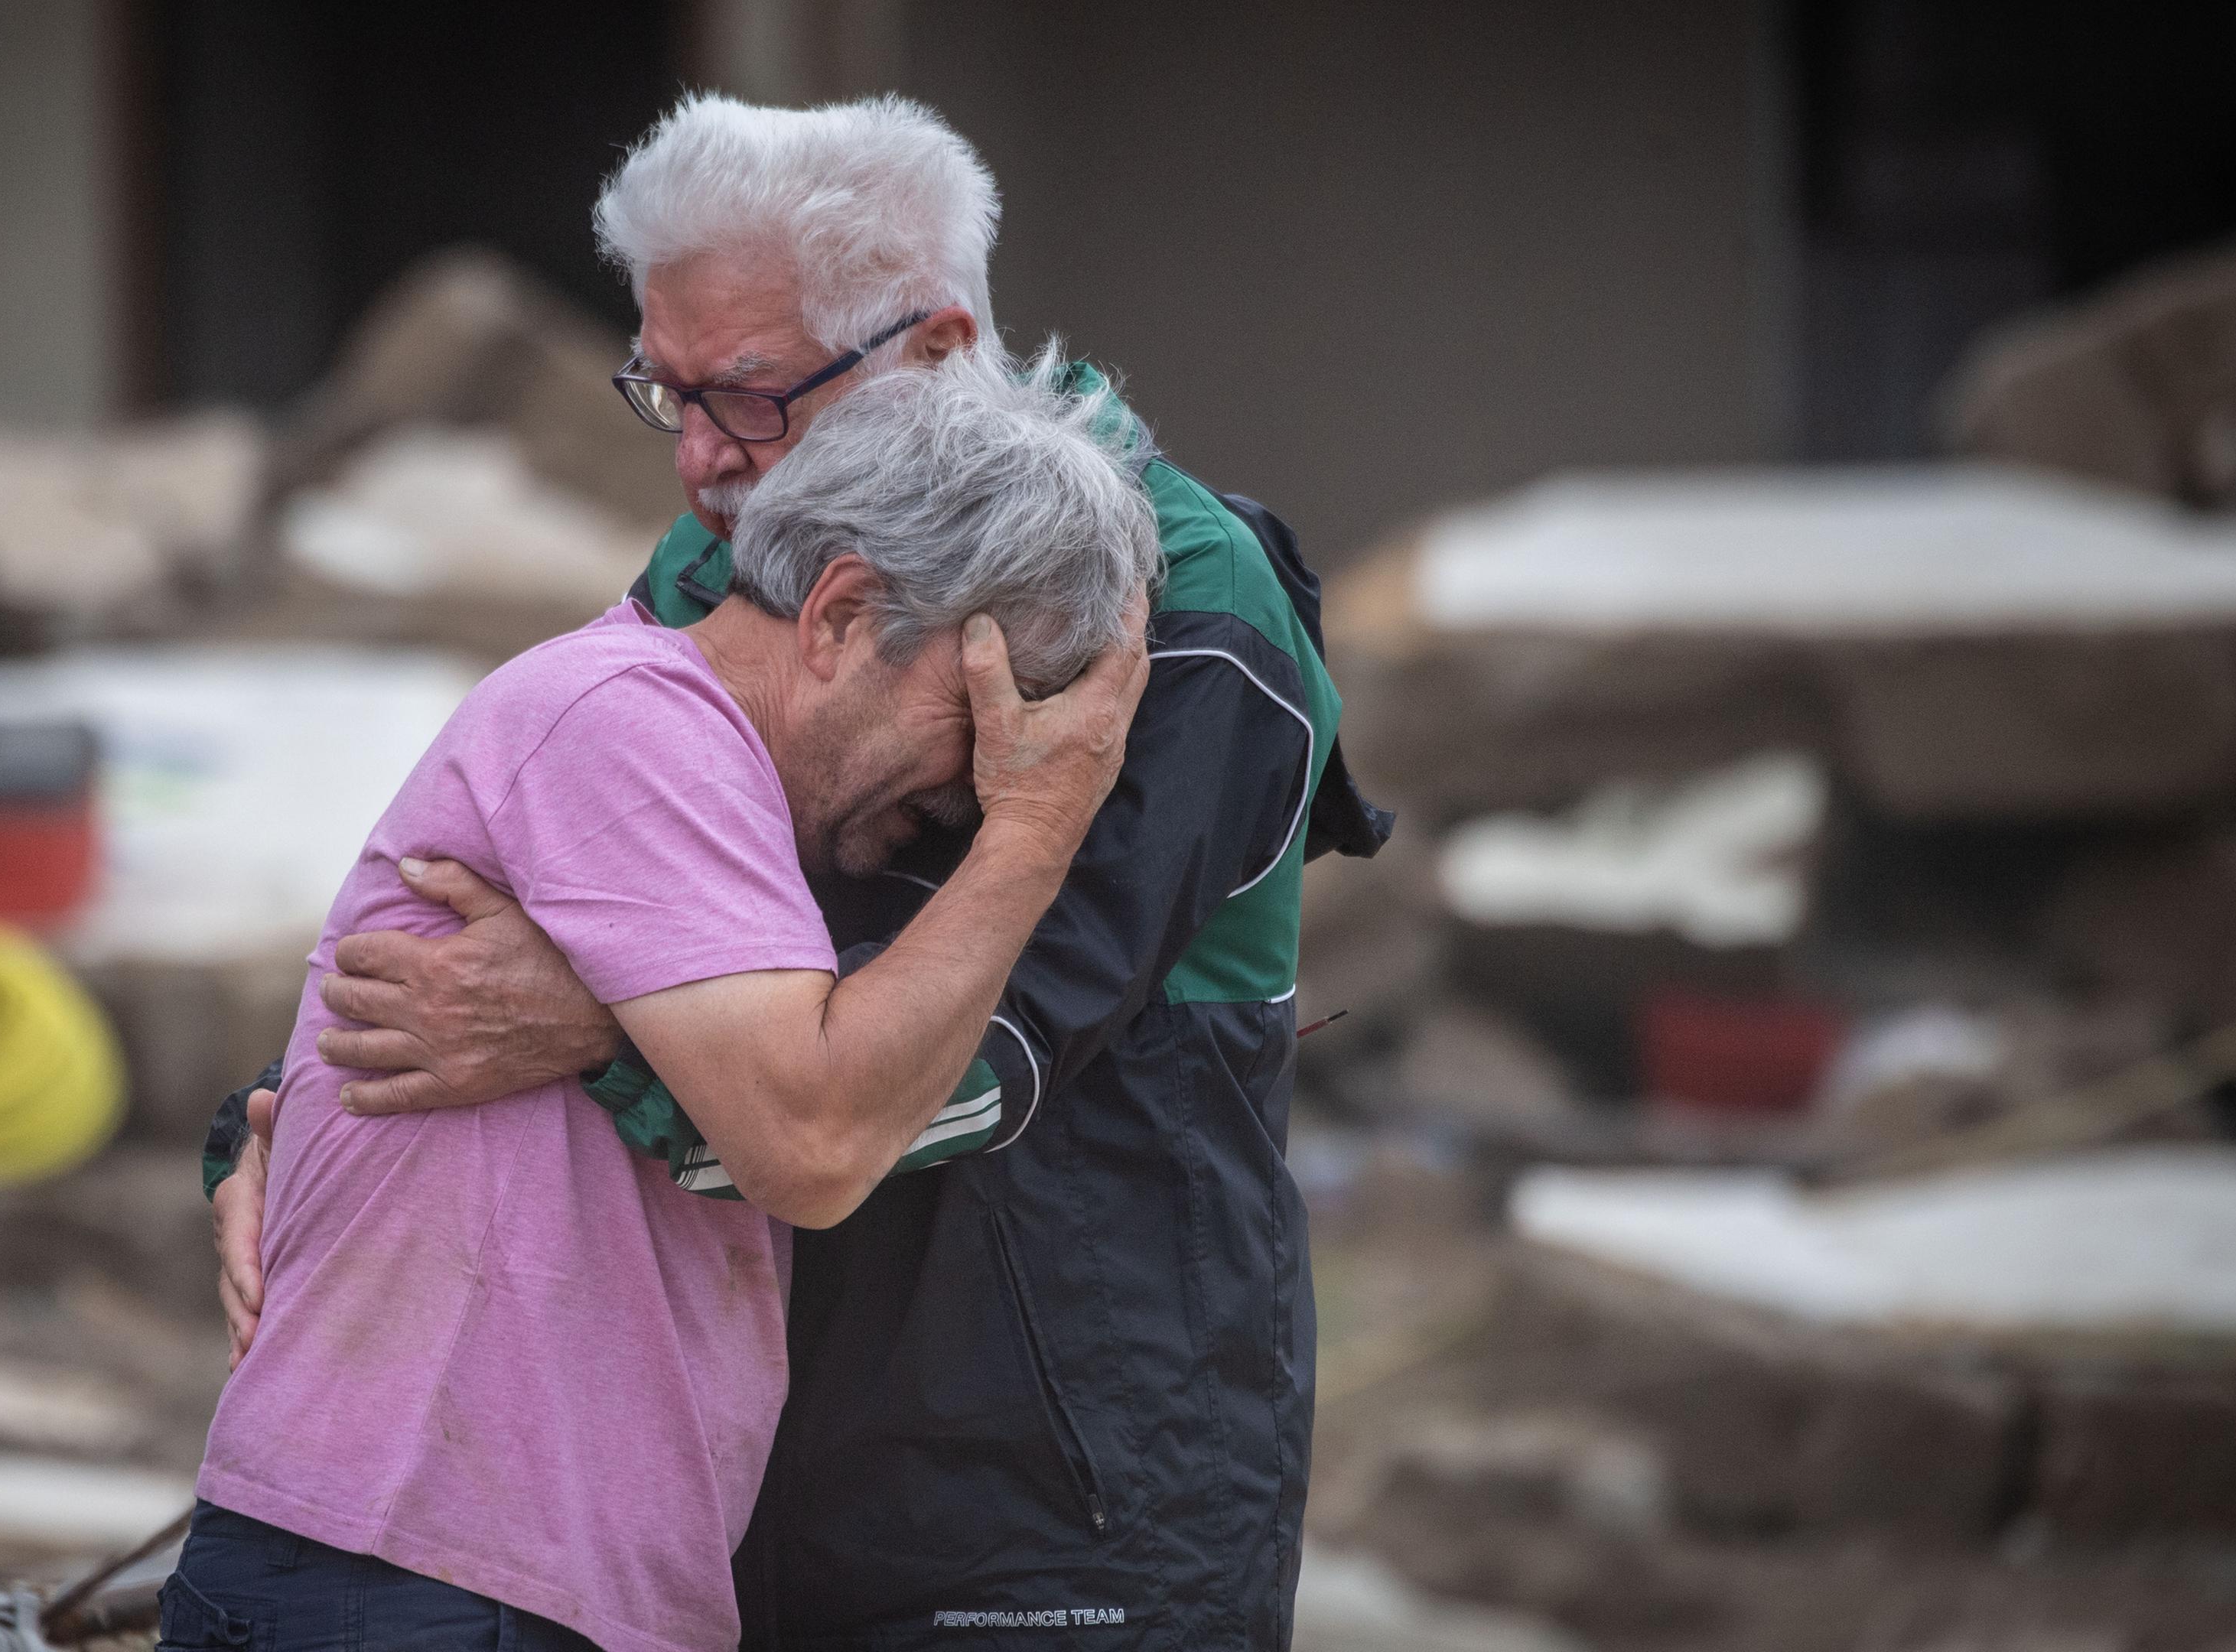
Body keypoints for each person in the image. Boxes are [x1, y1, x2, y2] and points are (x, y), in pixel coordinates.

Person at [207, 95, 1388, 1648]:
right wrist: (292, 1125)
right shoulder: (737, 555)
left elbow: (966, 1058)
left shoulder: (1169, 604)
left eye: (751, 397)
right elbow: (564, 898)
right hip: (760, 1493)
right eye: (666, 391)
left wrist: (593, 1023)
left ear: (939, 345)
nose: (701, 459)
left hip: (1073, 1515)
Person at [161, 353, 1157, 1652]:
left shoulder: (691, 766)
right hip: (418, 1583)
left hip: (481, 1585)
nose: (991, 770)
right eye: (980, 708)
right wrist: (1040, 824)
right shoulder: (632, 725)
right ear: (842, 615)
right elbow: (813, 1141)